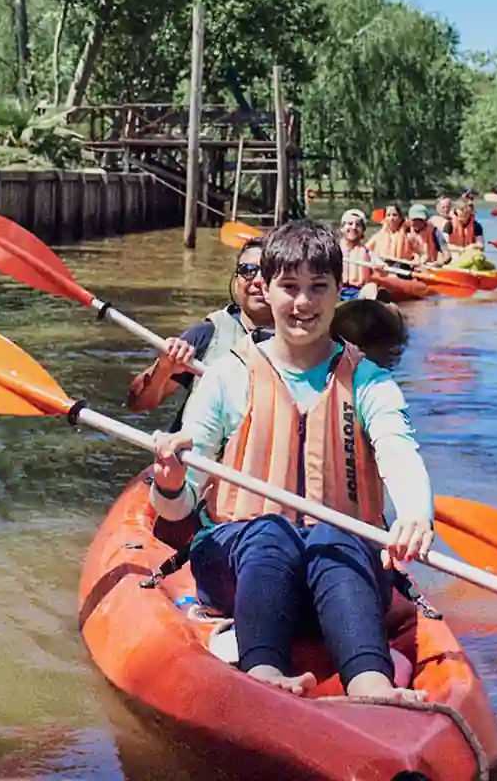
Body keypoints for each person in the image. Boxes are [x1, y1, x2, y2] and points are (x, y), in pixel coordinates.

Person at [150, 220, 433, 705]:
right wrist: (172, 480)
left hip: (340, 571)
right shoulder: (226, 377)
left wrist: (415, 514)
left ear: (339, 291)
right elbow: (175, 509)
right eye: (290, 287)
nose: (303, 302)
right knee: (271, 531)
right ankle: (262, 668)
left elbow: (399, 452)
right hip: (238, 570)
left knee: (334, 532)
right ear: (266, 288)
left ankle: (370, 682)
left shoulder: (370, 382)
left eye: (318, 287)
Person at [128, 237, 271, 431]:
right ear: (236, 280)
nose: (258, 280)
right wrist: (163, 370)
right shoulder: (206, 333)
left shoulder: (302, 341)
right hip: (197, 448)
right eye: (248, 270)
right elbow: (138, 403)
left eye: (268, 271)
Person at [367, 203, 431, 266]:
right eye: (388, 215)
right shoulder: (378, 236)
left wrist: (419, 261)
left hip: (402, 268)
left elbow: (423, 255)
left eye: (394, 215)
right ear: (385, 218)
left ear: (400, 218)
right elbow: (365, 249)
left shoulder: (409, 236)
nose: (391, 218)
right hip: (383, 268)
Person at [336, 209, 380, 300]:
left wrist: (381, 268)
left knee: (372, 287)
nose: (354, 227)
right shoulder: (334, 249)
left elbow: (383, 269)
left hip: (358, 295)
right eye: (350, 224)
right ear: (342, 228)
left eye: (358, 225)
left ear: (363, 230)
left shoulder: (367, 252)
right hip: (337, 293)